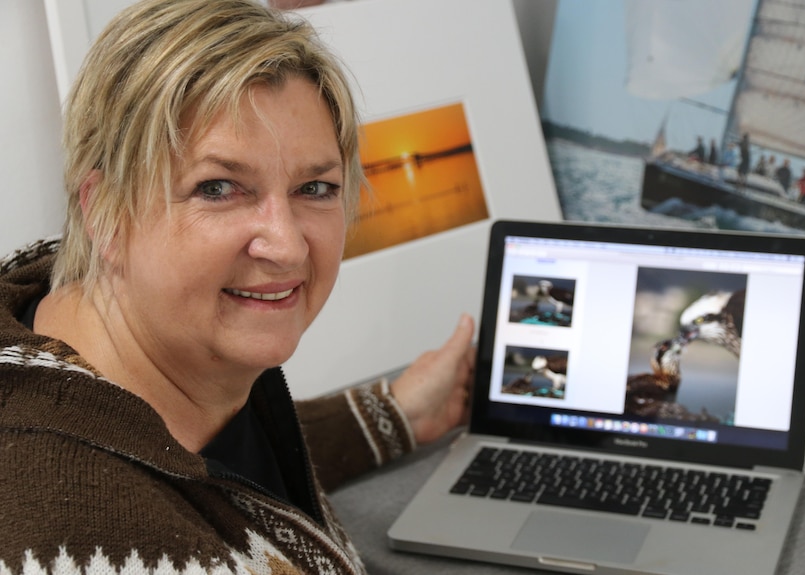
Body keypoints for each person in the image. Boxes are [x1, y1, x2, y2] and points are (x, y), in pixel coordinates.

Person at [0, 1, 475, 573]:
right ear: (105, 212)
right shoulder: (76, 538)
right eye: (219, 187)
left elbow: (206, 479)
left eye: (316, 188)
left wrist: (392, 413)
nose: (288, 245)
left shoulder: (70, 308)